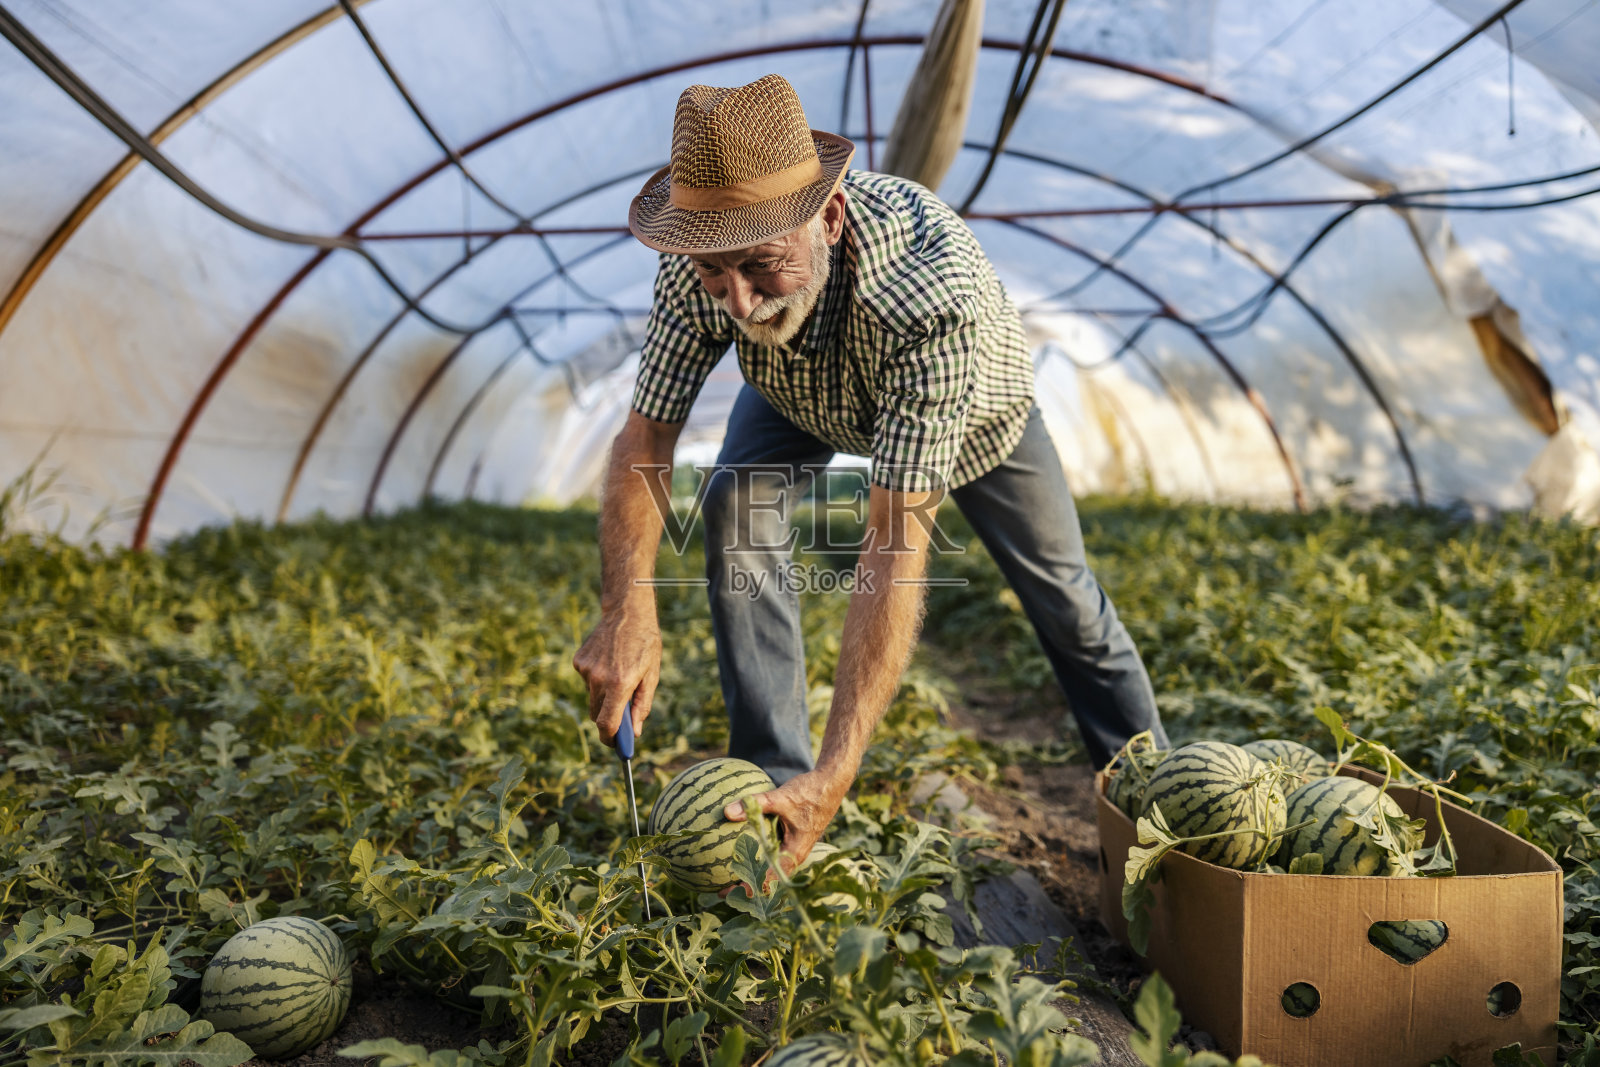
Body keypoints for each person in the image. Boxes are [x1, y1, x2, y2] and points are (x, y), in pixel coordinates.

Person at [573, 73, 1168, 871]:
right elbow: (644, 436)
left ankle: (1155, 797)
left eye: (761, 266)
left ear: (830, 214)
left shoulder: (928, 293)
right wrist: (627, 608)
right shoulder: (703, 264)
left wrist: (842, 766)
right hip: (793, 392)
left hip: (977, 421)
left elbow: (892, 541)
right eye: (718, 276)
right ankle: (774, 792)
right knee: (735, 505)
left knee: (1064, 598)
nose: (740, 303)